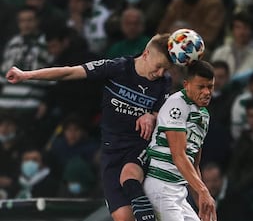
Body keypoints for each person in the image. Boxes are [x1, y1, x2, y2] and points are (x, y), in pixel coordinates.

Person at [5, 33, 174, 221]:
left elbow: (164, 115)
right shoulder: (117, 67)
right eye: (159, 67)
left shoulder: (163, 82)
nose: (160, 73)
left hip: (139, 146)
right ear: (146, 54)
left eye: (165, 69)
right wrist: (26, 75)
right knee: (123, 217)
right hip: (111, 151)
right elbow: (69, 72)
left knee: (130, 176)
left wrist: (152, 116)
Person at [143, 60, 217, 221]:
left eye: (210, 87)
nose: (206, 92)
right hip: (161, 186)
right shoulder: (176, 104)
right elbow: (179, 155)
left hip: (179, 190)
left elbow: (194, 163)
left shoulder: (204, 114)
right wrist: (204, 191)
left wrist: (201, 202)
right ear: (187, 85)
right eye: (201, 87)